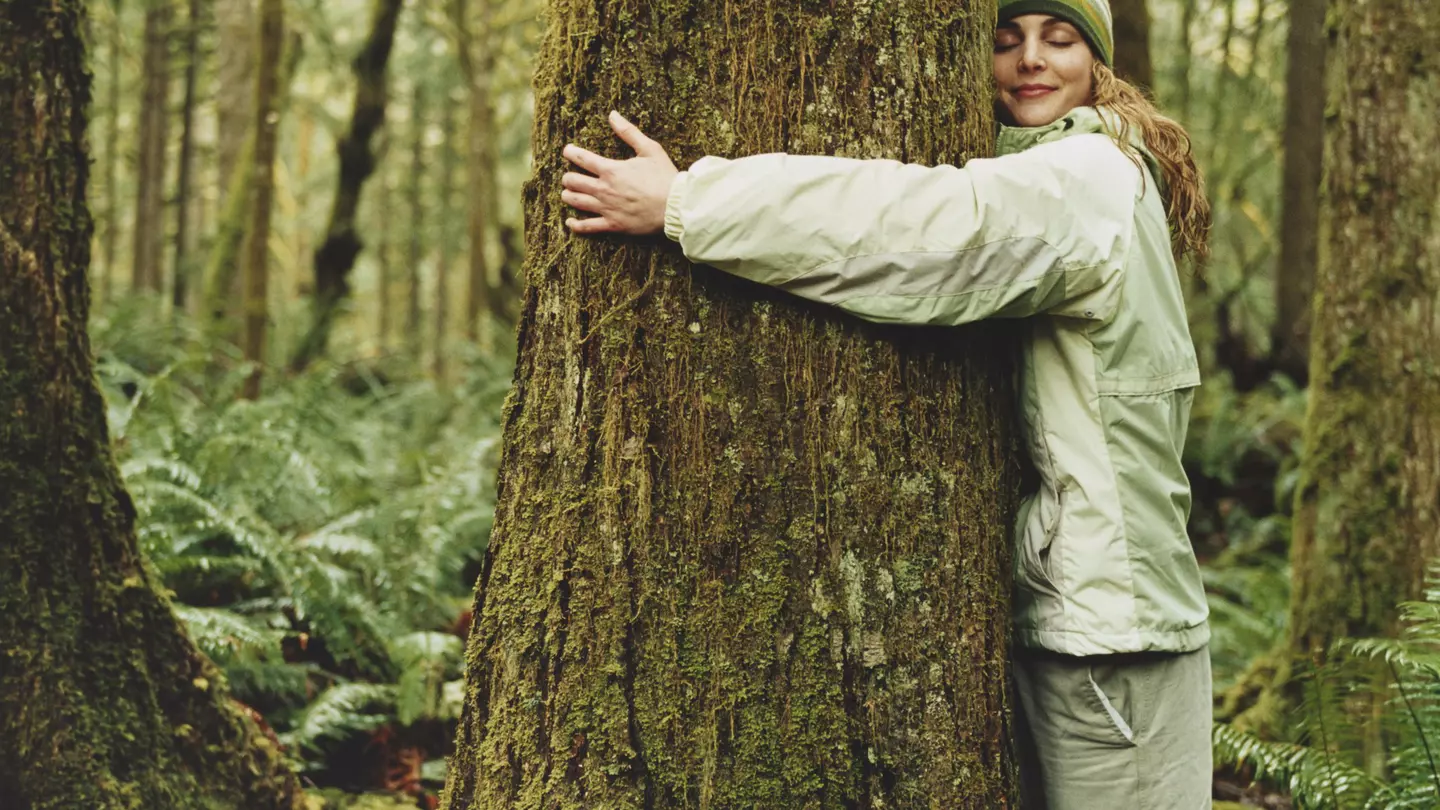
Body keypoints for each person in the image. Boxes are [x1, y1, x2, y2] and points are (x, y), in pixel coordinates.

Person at [557, 0, 1213, 806]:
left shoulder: (1090, 176)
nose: (1031, 59)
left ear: (1099, 64)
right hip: (1091, 619)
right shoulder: (1089, 167)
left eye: (1060, 38)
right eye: (1006, 40)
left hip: (1116, 640)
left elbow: (923, 232)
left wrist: (692, 202)